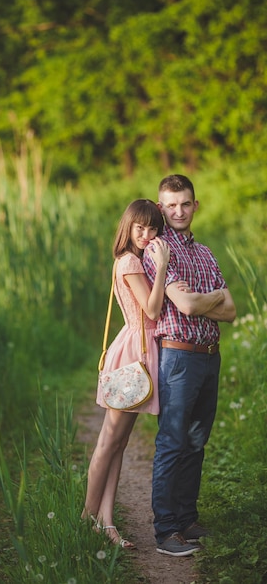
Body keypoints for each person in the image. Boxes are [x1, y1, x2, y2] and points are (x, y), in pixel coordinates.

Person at [142, 174, 236, 557]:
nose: (178, 211)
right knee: (172, 442)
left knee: (196, 442)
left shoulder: (206, 253)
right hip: (178, 358)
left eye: (185, 204)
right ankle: (166, 531)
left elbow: (230, 312)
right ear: (160, 206)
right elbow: (188, 306)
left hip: (209, 356)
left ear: (195, 205)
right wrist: (210, 298)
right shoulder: (158, 250)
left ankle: (186, 519)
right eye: (171, 205)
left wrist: (206, 299)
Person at [82, 199, 179, 548]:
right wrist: (164, 265)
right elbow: (152, 309)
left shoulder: (134, 260)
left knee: (119, 444)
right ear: (128, 226)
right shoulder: (129, 261)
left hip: (139, 351)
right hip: (133, 354)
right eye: (140, 227)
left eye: (153, 228)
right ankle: (87, 518)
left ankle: (106, 522)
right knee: (108, 442)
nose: (146, 234)